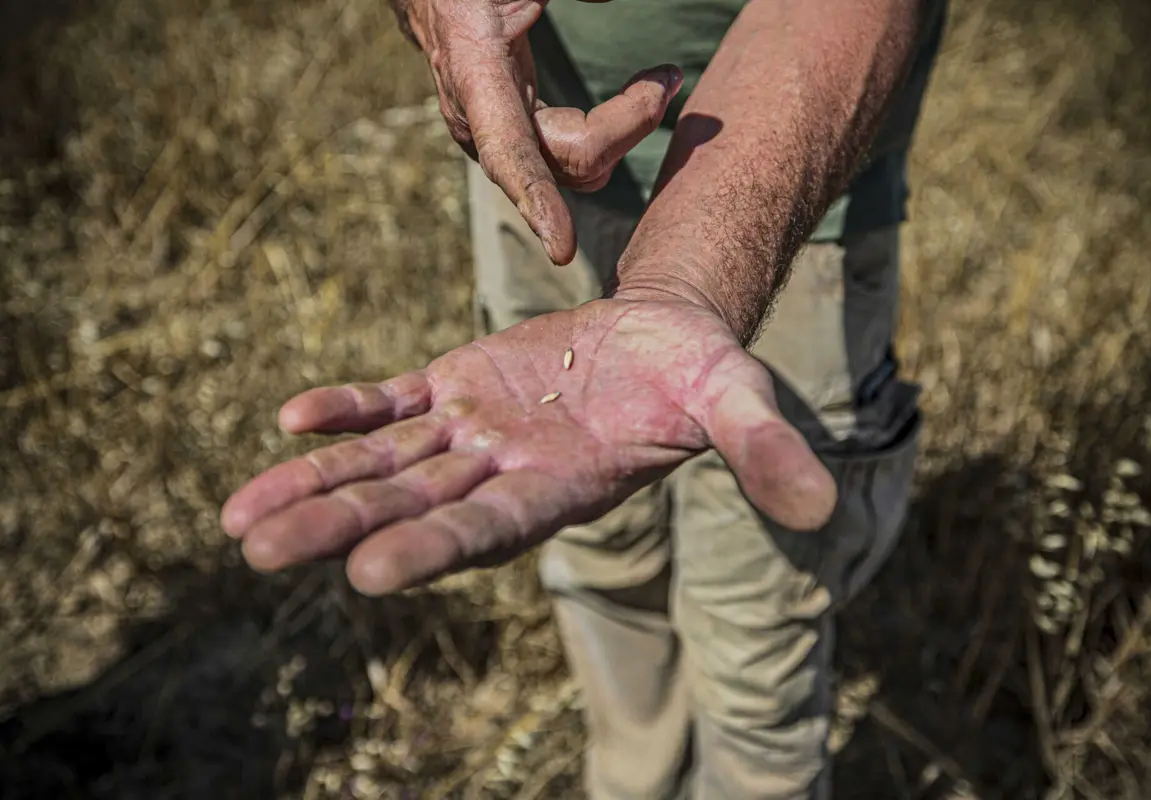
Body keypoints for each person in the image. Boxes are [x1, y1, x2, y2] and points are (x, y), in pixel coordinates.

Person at [222, 0, 947, 796]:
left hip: (788, 197)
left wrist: (681, 282)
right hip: (532, 174)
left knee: (755, 628)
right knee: (597, 560)